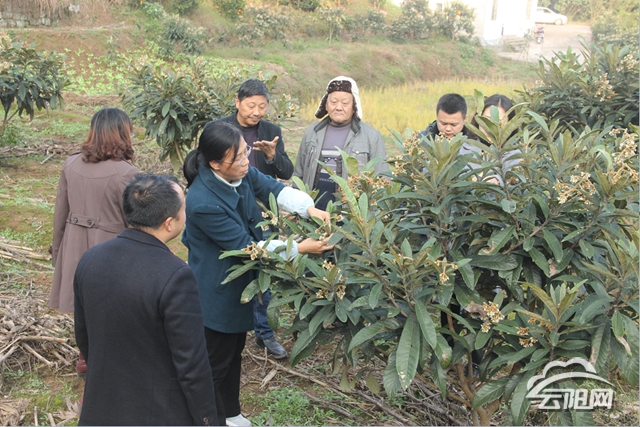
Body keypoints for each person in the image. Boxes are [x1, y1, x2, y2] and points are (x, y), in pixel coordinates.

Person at [182, 121, 333, 426]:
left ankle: (231, 412)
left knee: (234, 350)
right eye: (237, 157)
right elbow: (246, 247)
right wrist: (299, 248)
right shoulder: (202, 202)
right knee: (216, 361)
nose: (245, 161)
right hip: (216, 288)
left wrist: (309, 209)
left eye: (244, 152)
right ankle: (207, 418)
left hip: (240, 281)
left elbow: (273, 187)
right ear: (215, 164)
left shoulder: (238, 171)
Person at [74, 174, 218, 426]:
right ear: (169, 223)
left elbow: (84, 335)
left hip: (102, 407)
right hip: (157, 411)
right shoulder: (176, 276)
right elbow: (191, 363)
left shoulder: (91, 258)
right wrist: (208, 418)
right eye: (183, 209)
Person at [50, 107, 139, 375]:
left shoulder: (71, 164)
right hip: (111, 248)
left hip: (75, 246)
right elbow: (134, 221)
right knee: (111, 307)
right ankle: (103, 360)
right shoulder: (126, 173)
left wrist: (58, 251)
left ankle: (85, 356)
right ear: (122, 133)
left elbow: (60, 213)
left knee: (84, 305)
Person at [218, 79, 294, 359]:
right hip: (229, 211)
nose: (257, 112)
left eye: (262, 106)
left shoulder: (271, 132)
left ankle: (264, 333)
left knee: (264, 271)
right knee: (228, 268)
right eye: (251, 105)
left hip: (263, 213)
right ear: (237, 102)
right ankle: (225, 328)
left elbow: (286, 172)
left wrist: (273, 157)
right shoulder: (220, 129)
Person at [293, 76, 389, 210]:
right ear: (326, 104)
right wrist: (296, 207)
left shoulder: (371, 136)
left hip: (351, 215)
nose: (338, 107)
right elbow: (299, 174)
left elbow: (382, 179)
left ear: (354, 106)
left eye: (345, 103)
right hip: (313, 211)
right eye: (333, 102)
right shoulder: (312, 132)